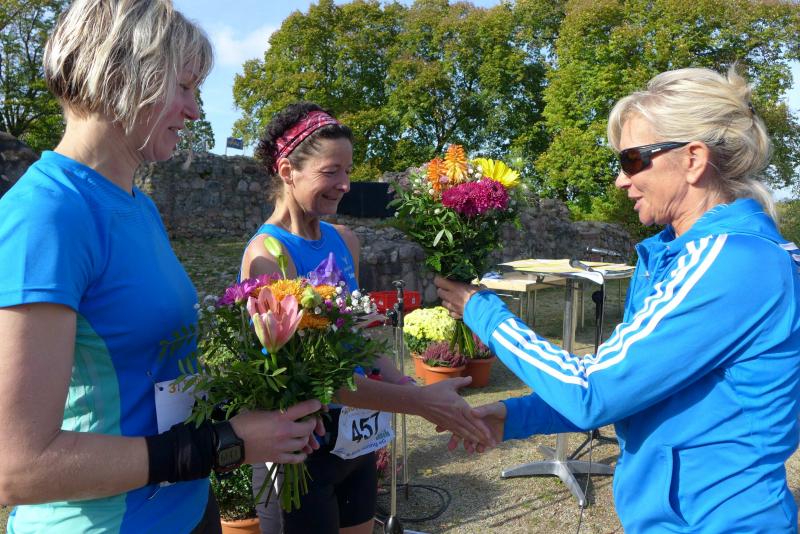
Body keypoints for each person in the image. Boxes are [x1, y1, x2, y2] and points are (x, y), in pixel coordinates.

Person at [0, 2, 323, 532]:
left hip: (189, 509)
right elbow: (19, 467)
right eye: (185, 86)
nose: (195, 110)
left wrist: (262, 407)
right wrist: (225, 444)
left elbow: (149, 372)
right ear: (122, 75)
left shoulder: (139, 204)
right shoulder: (46, 215)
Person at [435, 67, 800, 533]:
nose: (620, 181)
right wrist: (512, 417)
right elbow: (629, 387)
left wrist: (481, 310)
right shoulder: (683, 256)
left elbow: (591, 392)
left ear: (693, 159)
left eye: (632, 160)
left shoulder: (734, 262)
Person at [241, 102, 494, 534]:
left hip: (356, 441)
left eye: (348, 170)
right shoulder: (267, 257)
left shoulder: (345, 241)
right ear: (287, 171)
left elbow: (356, 343)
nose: (345, 184)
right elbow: (312, 380)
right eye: (331, 171)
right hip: (300, 449)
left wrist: (413, 389)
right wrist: (419, 403)